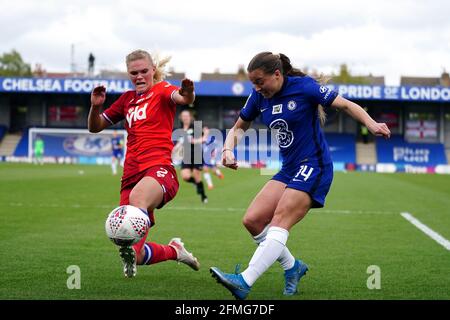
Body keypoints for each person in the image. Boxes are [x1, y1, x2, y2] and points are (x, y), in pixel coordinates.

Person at [210, 52, 391, 299]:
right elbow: (238, 127)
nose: (256, 87)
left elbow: (347, 104)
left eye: (260, 81)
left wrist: (371, 124)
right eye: (253, 82)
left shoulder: (304, 87)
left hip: (315, 165)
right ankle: (292, 266)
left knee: (280, 219)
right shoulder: (258, 96)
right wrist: (228, 149)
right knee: (252, 220)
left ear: (277, 75)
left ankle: (244, 281)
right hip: (289, 168)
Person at [88, 49, 200, 278]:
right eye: (133, 73)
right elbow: (95, 126)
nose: (139, 76)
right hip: (130, 175)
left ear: (153, 71)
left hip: (159, 170)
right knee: (132, 251)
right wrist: (96, 106)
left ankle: (146, 221)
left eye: (144, 71)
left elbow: (182, 98)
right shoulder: (126, 100)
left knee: (137, 199)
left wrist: (188, 93)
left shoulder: (162, 90)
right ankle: (174, 250)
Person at [175, 109, 209, 203]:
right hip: (186, 154)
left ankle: (203, 196)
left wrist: (194, 141)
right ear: (181, 118)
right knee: (185, 176)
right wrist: (175, 148)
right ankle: (197, 184)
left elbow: (204, 138)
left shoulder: (195, 126)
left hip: (196, 153)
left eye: (187, 116)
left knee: (197, 175)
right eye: (183, 116)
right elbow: (180, 142)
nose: (185, 118)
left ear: (190, 117)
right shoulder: (181, 128)